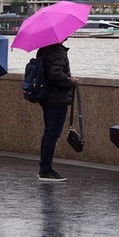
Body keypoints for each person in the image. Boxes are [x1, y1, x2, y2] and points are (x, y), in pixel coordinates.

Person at [36, 41, 79, 182]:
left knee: (48, 133)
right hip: (56, 99)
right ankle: (46, 170)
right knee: (52, 134)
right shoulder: (58, 51)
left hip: (47, 97)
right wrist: (71, 81)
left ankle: (44, 167)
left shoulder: (44, 48)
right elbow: (56, 75)